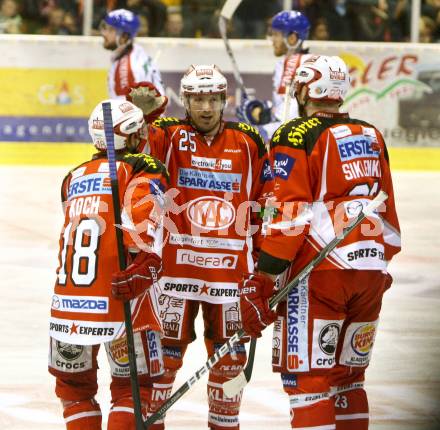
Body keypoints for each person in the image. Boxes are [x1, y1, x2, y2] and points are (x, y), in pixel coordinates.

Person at [237, 55, 401, 429]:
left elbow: (288, 214)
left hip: (320, 272)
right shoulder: (372, 134)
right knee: (349, 379)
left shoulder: (295, 134)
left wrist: (265, 277)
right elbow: (388, 208)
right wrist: (381, 264)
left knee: (308, 381)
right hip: (370, 269)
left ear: (305, 89)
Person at [133, 65, 270, 429]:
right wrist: (145, 115)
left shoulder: (248, 140)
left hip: (230, 275)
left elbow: (264, 201)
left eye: (213, 99)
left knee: (229, 362)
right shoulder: (167, 134)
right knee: (163, 360)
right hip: (174, 272)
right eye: (197, 99)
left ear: (225, 100)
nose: (206, 108)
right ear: (186, 101)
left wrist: (265, 264)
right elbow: (133, 154)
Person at [48, 98, 170, 430]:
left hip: (69, 303)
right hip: (120, 298)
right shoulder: (143, 167)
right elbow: (145, 236)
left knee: (74, 392)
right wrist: (149, 264)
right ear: (130, 136)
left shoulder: (72, 177)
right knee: (134, 390)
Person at [237, 10, 311, 141]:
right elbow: (286, 103)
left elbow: (288, 116)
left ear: (292, 38)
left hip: (296, 139)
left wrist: (260, 114)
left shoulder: (297, 63)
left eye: (276, 34)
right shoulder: (286, 63)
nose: (272, 40)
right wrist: (265, 107)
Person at [100, 8, 164, 99]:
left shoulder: (125, 68)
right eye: (105, 28)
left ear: (124, 37)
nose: (104, 33)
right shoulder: (136, 52)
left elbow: (124, 110)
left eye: (110, 30)